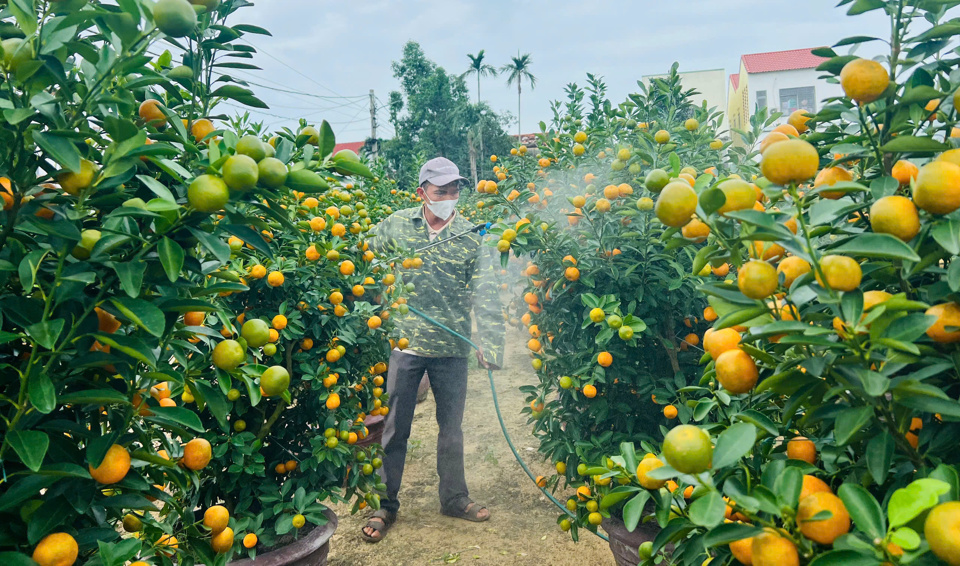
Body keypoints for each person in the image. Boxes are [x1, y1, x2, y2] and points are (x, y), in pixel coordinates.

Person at [360, 157, 505, 543]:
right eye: (441, 191)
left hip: (453, 344)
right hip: (406, 342)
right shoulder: (396, 225)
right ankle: (384, 504)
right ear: (422, 192)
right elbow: (360, 255)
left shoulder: (473, 234)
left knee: (452, 429)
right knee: (394, 428)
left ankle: (454, 498)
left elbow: (487, 291)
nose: (450, 197)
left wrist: (489, 342)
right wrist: (373, 295)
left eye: (455, 190)